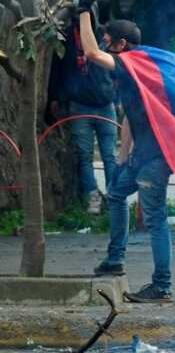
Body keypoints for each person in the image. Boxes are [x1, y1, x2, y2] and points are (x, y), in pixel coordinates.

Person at [80, 12, 174, 303]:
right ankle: (115, 259)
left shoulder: (134, 62)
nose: (106, 46)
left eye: (109, 42)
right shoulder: (137, 72)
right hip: (142, 156)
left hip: (156, 157)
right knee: (117, 193)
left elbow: (92, 52)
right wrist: (123, 156)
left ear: (123, 44)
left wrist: (83, 14)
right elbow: (132, 115)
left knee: (155, 219)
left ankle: (162, 286)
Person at [50, 14, 118, 214]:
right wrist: (56, 97)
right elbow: (58, 69)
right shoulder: (65, 38)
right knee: (84, 156)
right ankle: (92, 198)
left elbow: (117, 66)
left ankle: (115, 198)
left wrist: (116, 95)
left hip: (105, 103)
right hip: (79, 105)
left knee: (109, 155)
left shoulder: (102, 36)